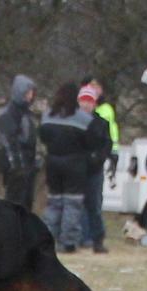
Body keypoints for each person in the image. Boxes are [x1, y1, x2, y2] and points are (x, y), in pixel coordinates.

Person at [38, 83, 107, 253]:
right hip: (75, 165)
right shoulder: (82, 119)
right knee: (72, 204)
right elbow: (91, 142)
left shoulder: (47, 116)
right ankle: (68, 241)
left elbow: (42, 137)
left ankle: (47, 238)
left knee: (54, 202)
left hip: (53, 162)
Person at [76, 84, 112, 253]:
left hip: (95, 171)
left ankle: (97, 239)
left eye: (89, 101)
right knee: (76, 205)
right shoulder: (72, 122)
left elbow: (107, 144)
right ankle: (78, 238)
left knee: (94, 206)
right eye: (83, 101)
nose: (86, 104)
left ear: (94, 103)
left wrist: (98, 158)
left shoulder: (101, 123)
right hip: (76, 170)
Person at [0, 74, 39, 210]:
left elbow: (31, 140)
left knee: (26, 207)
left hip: (28, 169)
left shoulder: (26, 113)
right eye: (28, 92)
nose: (31, 96)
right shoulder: (9, 114)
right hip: (17, 171)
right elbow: (8, 142)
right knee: (14, 207)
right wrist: (16, 166)